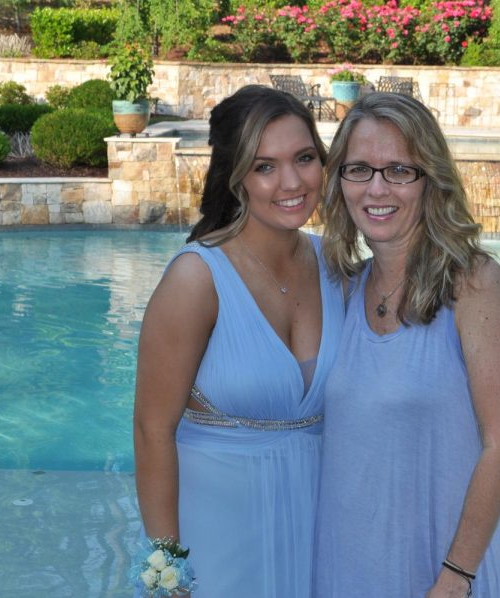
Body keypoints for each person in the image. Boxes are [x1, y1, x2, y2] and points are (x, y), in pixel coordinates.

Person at [132, 85, 344, 597]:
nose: (291, 182)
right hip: (219, 541)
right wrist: (169, 568)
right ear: (236, 176)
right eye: (264, 166)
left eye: (305, 158)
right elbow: (151, 430)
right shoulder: (196, 279)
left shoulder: (338, 267)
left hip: (319, 531)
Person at [313, 92, 500, 598]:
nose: (376, 188)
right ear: (339, 181)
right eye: (358, 169)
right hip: (343, 564)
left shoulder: (473, 283)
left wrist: (456, 576)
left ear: (430, 180)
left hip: (438, 572)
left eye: (399, 170)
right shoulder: (341, 287)